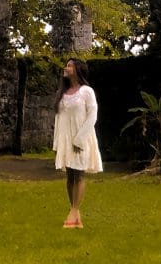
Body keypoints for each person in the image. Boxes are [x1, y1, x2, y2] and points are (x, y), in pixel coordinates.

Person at [52, 57, 103, 229]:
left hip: (81, 137)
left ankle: (73, 212)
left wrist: (80, 139)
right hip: (66, 139)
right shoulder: (62, 93)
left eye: (69, 66)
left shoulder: (86, 91)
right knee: (70, 176)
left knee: (79, 174)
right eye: (66, 65)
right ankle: (75, 215)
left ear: (78, 70)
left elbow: (92, 116)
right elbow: (59, 120)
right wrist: (57, 143)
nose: (66, 68)